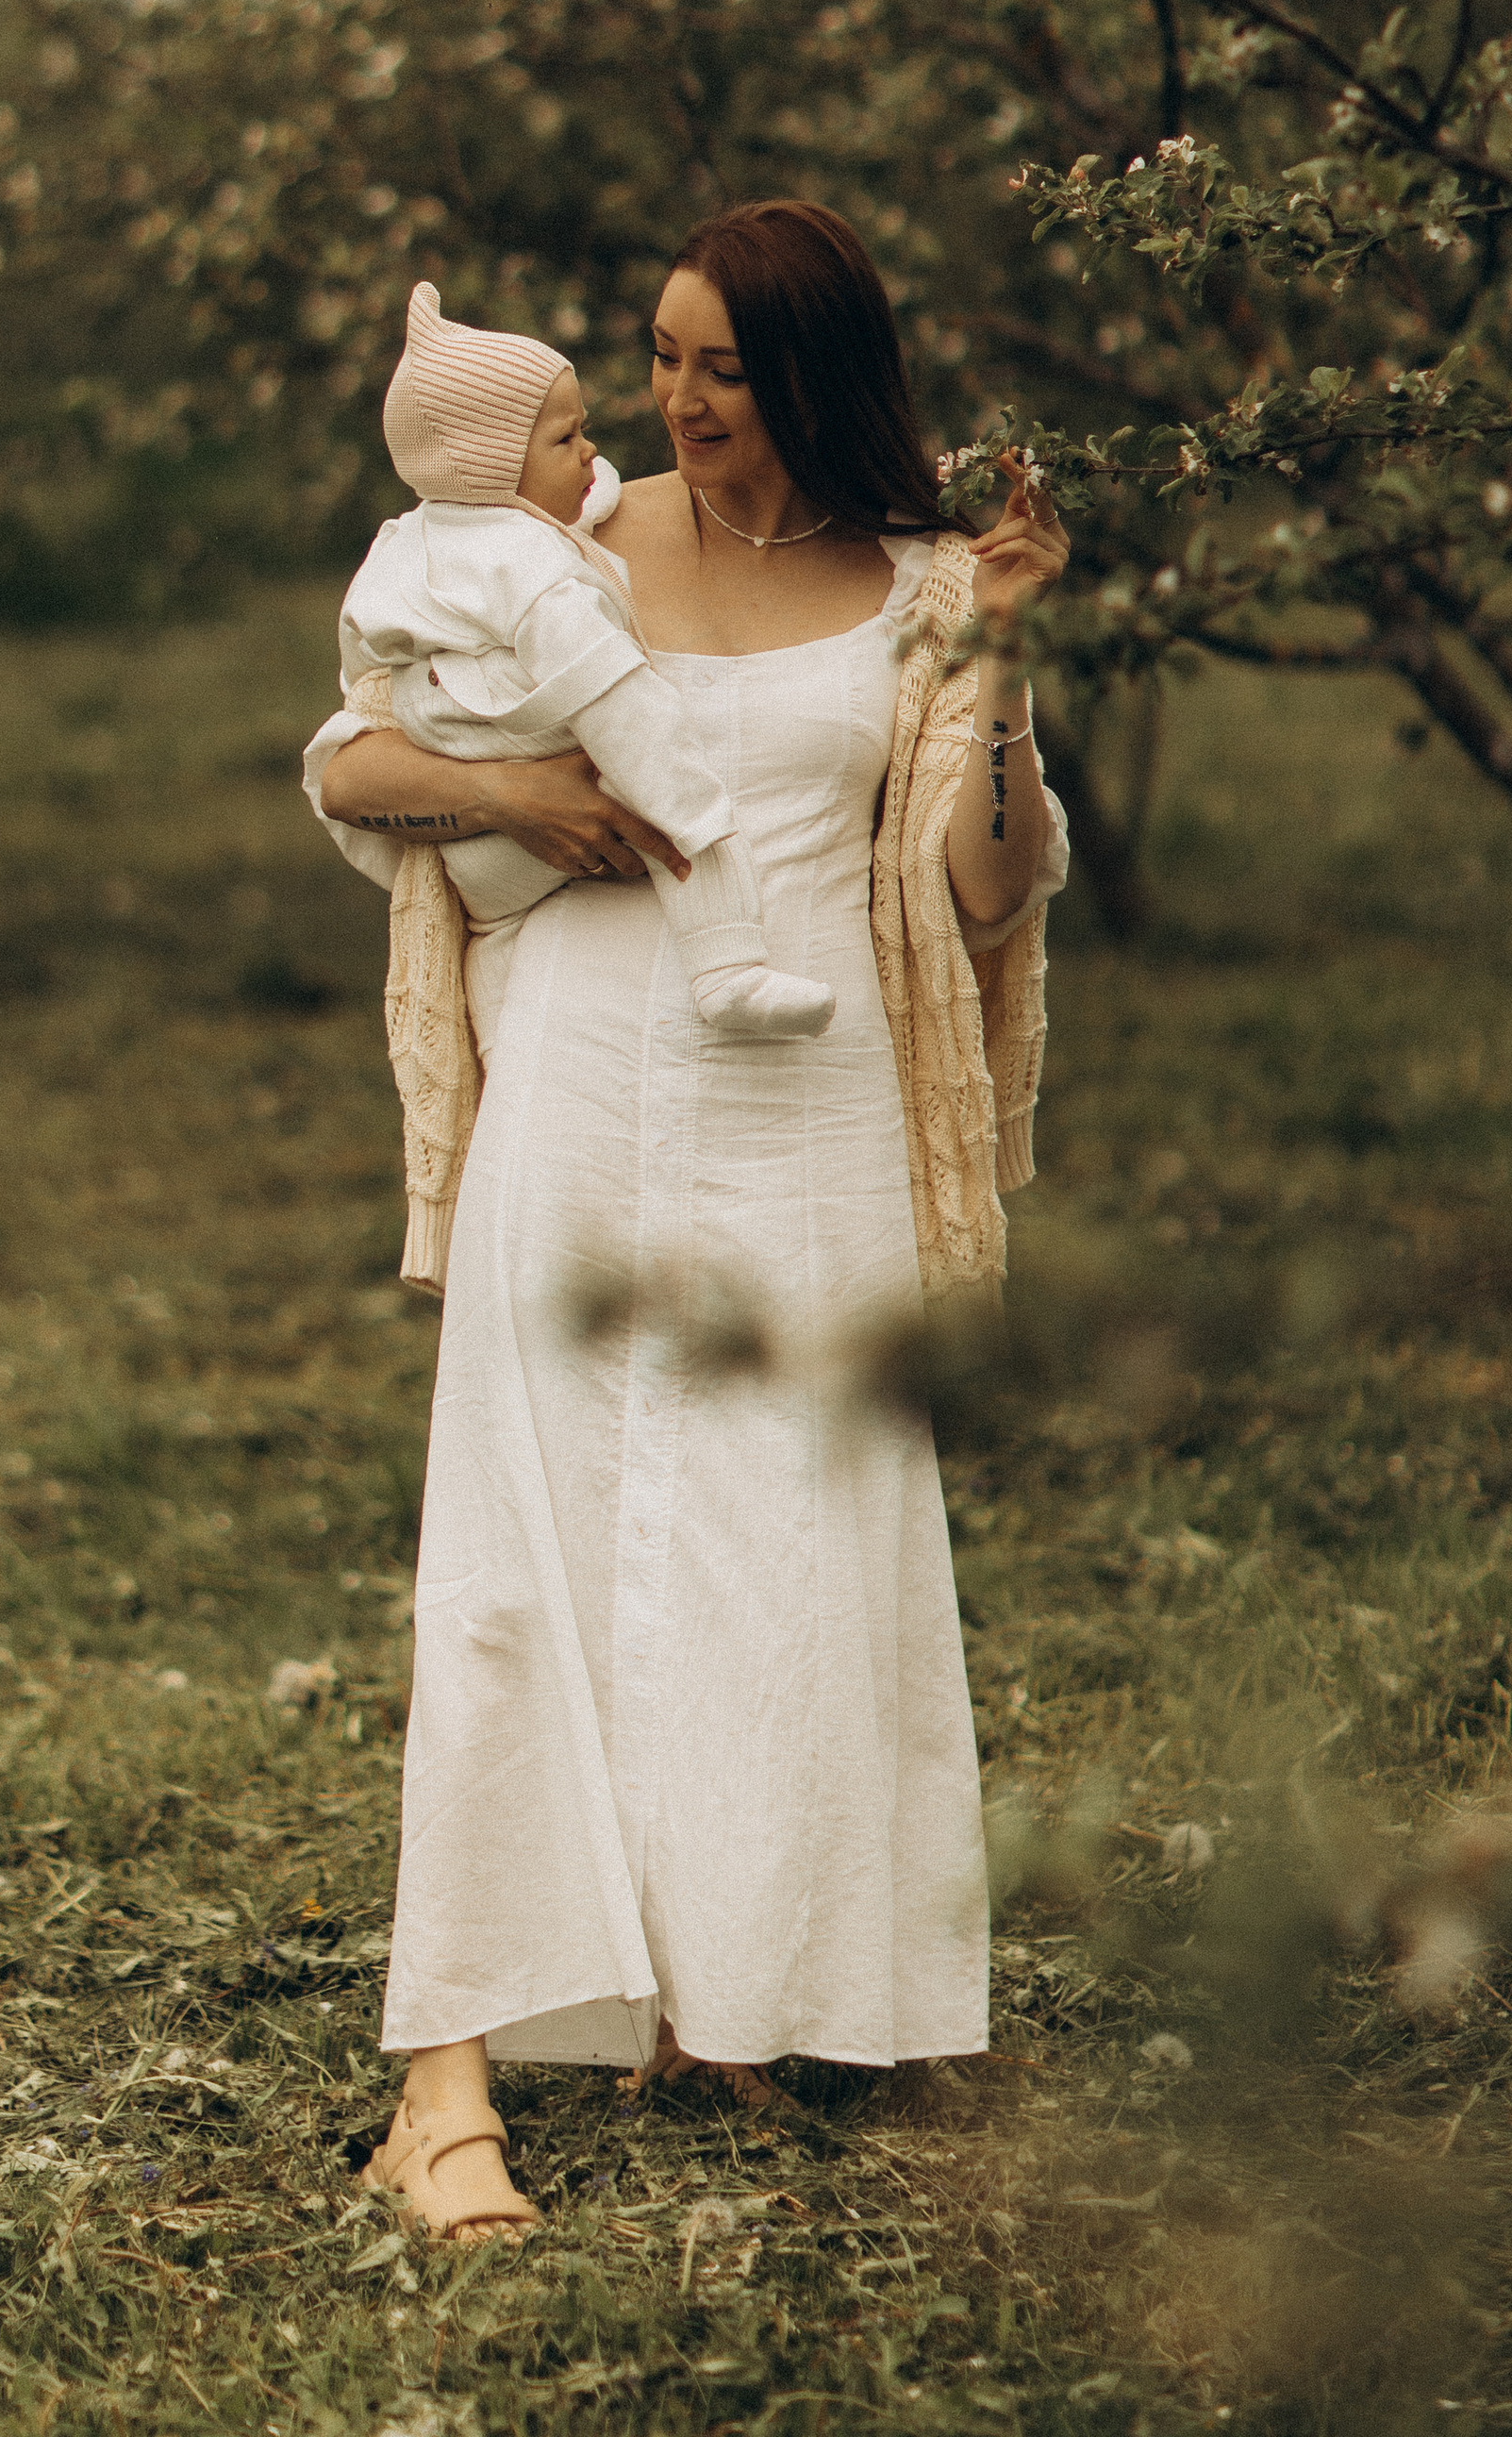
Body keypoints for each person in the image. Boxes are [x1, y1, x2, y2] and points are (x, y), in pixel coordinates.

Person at [304, 201, 1071, 2244]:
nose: (673, 400)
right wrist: (518, 806)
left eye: (719, 367)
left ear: (813, 374)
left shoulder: (919, 587)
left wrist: (995, 668)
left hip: (809, 1111)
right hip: (576, 1082)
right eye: (656, 358)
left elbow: (986, 890)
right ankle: (442, 2085)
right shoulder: (565, 539)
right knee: (518, 1546)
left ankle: (739, 1984)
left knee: (791, 1545)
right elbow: (354, 755)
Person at [339, 277, 834, 1055]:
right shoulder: (530, 569)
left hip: (480, 874)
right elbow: (608, 691)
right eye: (567, 441)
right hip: (519, 811)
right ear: (492, 467)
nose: (593, 454)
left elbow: (363, 660)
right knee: (669, 820)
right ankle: (728, 965)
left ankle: (508, 1064)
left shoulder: (418, 538)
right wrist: (681, 799)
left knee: (505, 972)